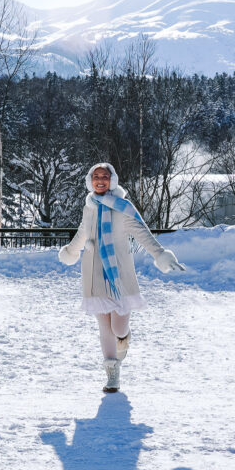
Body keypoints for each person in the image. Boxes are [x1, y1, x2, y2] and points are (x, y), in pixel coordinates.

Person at [58, 162, 184, 393]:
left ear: (112, 180)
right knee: (103, 325)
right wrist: (71, 252)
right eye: (96, 176)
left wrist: (160, 255)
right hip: (94, 272)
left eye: (105, 176)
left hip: (119, 274)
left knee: (117, 326)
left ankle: (123, 338)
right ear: (90, 180)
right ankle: (112, 374)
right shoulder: (90, 207)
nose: (100, 180)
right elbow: (82, 233)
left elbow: (143, 233)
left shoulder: (122, 207)